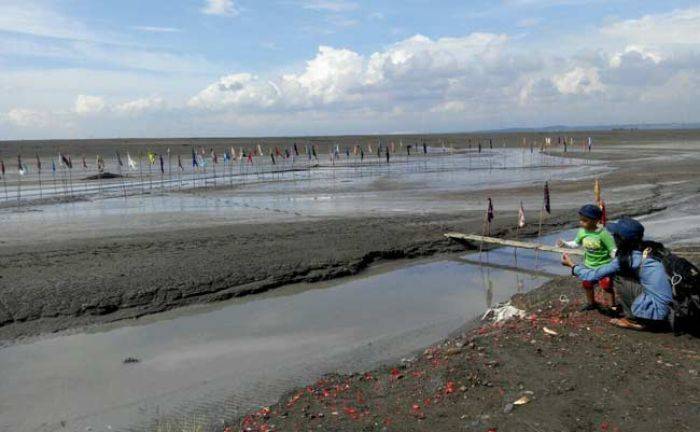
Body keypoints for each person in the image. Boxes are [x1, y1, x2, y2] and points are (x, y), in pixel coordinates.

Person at [562, 217, 673, 330]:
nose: (613, 237)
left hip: (660, 312)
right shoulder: (650, 248)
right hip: (673, 306)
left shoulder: (628, 259)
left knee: (619, 277)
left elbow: (591, 275)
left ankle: (634, 320)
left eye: (614, 235)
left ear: (620, 239)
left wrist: (572, 265)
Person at [557, 204, 617, 312]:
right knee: (587, 284)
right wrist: (565, 243)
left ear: (596, 221)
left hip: (604, 266)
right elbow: (576, 244)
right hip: (589, 265)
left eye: (585, 220)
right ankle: (591, 303)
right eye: (581, 220)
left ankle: (612, 306)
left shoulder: (603, 234)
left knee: (607, 285)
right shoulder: (582, 232)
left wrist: (619, 260)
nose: (581, 223)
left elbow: (612, 250)